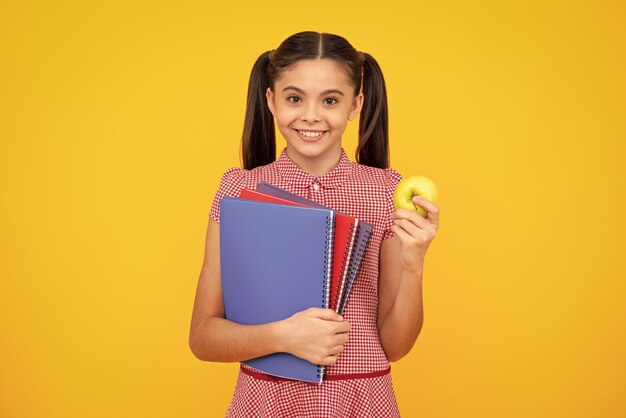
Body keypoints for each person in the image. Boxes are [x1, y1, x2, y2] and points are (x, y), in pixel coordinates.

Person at [189, 31, 440, 417]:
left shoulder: (385, 192)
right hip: (266, 402)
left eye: (330, 100)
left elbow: (395, 346)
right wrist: (283, 336)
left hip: (362, 400)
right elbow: (203, 337)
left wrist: (414, 262)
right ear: (271, 100)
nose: (311, 115)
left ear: (355, 104)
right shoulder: (238, 190)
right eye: (294, 98)